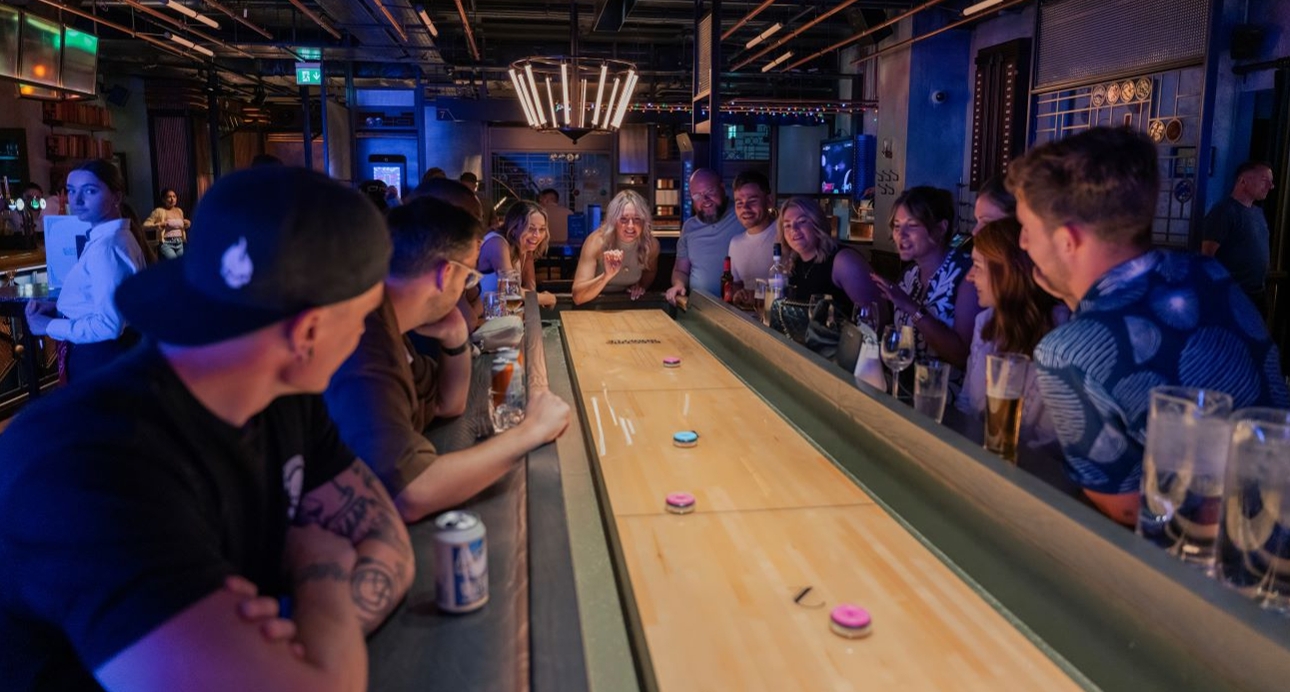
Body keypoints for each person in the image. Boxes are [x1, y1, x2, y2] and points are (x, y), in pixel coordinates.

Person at [0, 166, 414, 690]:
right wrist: (321, 571)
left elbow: (387, 541)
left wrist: (295, 649)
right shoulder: (82, 467)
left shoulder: (283, 396)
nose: (362, 334)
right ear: (308, 332)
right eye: (362, 317)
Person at [1009, 126, 1290, 525]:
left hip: (1222, 561)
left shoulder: (1065, 352)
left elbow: (1123, 505)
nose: (1021, 243)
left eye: (1027, 229)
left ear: (1068, 240)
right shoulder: (1209, 274)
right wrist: (1076, 298)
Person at [324, 196, 572, 522]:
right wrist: (530, 431)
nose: (469, 288)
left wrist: (455, 338)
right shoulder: (366, 347)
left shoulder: (392, 328)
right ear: (445, 274)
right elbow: (413, 493)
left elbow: (448, 404)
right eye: (469, 277)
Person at [24, 159, 148, 381]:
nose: (77, 200)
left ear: (116, 197)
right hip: (110, 354)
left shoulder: (107, 247)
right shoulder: (111, 238)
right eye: (71, 191)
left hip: (102, 356)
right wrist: (60, 307)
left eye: (90, 191)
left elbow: (109, 325)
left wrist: (49, 325)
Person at [959, 218, 1065, 446]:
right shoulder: (985, 323)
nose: (969, 277)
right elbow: (966, 403)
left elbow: (1054, 445)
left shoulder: (1062, 337)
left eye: (977, 266)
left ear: (1007, 272)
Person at [873, 186, 980, 373]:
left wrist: (912, 308)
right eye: (897, 226)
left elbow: (962, 356)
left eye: (912, 225)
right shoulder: (909, 274)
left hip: (946, 394)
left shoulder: (967, 274)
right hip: (907, 390)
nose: (900, 234)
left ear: (940, 229)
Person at [777, 196, 880, 323]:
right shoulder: (792, 263)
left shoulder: (844, 260)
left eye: (802, 221)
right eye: (787, 225)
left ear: (817, 223)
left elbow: (877, 316)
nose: (794, 229)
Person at [1201, 161, 1275, 314]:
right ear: (1243, 181)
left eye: (1271, 182)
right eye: (1264, 180)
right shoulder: (1224, 211)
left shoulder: (1258, 213)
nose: (1270, 186)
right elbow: (1206, 255)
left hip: (1257, 294)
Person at [665, 168, 743, 304]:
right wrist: (679, 284)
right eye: (697, 196)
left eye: (710, 192)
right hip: (699, 308)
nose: (705, 200)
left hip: (738, 308)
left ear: (722, 188)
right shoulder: (689, 228)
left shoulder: (741, 214)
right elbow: (680, 270)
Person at [573, 189, 660, 304]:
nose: (630, 226)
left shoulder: (651, 245)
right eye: (623, 219)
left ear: (644, 221)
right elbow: (578, 297)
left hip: (626, 303)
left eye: (637, 219)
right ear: (613, 221)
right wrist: (606, 276)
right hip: (593, 303)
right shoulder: (597, 242)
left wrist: (640, 286)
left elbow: (650, 272)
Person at [477, 201, 557, 308]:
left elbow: (530, 288)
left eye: (542, 229)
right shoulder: (497, 243)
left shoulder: (524, 246)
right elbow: (510, 290)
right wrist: (547, 298)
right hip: (481, 319)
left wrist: (536, 299)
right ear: (514, 228)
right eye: (531, 228)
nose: (537, 235)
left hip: (501, 316)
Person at [726, 171, 777, 308]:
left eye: (752, 201)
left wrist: (756, 297)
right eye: (739, 203)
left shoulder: (787, 234)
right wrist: (738, 295)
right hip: (748, 321)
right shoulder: (735, 243)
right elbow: (736, 285)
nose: (745, 209)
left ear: (769, 201)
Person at [143, 187, 191, 260]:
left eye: (174, 196)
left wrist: (186, 223)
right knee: (174, 264)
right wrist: (157, 225)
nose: (172, 199)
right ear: (163, 199)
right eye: (169, 197)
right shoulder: (159, 211)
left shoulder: (179, 211)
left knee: (181, 265)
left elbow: (180, 226)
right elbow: (145, 225)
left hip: (179, 242)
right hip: (166, 243)